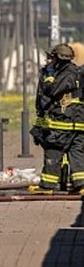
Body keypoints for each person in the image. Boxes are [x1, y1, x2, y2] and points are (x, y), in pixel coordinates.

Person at [30, 43, 84, 193]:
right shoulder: (74, 72)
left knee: (53, 151)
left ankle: (47, 186)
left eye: (51, 58)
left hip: (64, 123)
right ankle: (80, 185)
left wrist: (48, 78)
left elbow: (52, 91)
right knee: (76, 153)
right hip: (75, 123)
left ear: (58, 59)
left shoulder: (67, 73)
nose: (49, 61)